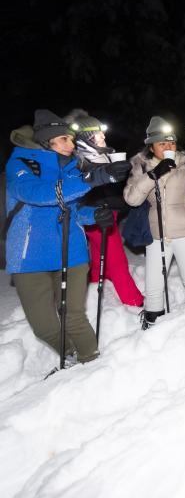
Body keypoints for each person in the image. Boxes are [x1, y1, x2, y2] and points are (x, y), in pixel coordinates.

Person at [5, 110, 127, 365]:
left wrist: (95, 215)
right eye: (64, 139)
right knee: (43, 325)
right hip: (30, 257)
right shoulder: (21, 164)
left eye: (71, 140)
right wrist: (90, 179)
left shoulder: (71, 167)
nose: (71, 145)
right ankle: (71, 355)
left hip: (71, 251)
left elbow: (72, 209)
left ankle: (92, 362)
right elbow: (38, 194)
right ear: (45, 141)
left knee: (74, 316)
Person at [123, 116, 185, 328]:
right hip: (156, 233)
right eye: (162, 143)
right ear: (151, 147)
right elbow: (132, 199)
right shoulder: (141, 166)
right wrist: (152, 176)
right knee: (154, 281)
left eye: (171, 143)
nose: (168, 147)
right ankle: (153, 318)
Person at [65, 109, 144, 307]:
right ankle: (135, 302)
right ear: (85, 138)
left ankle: (97, 294)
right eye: (97, 133)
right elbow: (81, 193)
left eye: (102, 132)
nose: (103, 136)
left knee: (101, 257)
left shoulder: (105, 156)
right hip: (95, 217)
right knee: (117, 261)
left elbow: (111, 191)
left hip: (110, 213)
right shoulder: (78, 163)